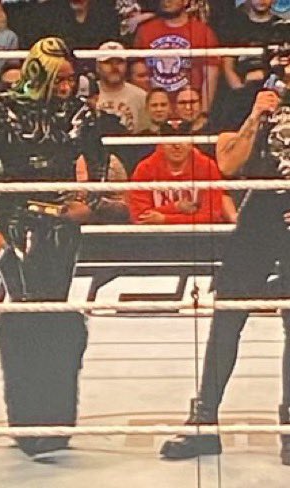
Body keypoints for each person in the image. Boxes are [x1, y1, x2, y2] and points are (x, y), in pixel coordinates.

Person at [0, 36, 108, 460]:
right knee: (22, 316)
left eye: (72, 79)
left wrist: (88, 204)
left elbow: (99, 162)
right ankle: (25, 420)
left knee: (53, 313)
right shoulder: (3, 109)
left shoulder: (81, 113)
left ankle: (55, 420)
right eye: (60, 79)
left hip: (59, 221)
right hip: (14, 217)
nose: (68, 87)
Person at [160, 51, 290, 465]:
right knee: (228, 311)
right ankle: (204, 421)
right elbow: (228, 163)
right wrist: (255, 117)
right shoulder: (252, 100)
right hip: (261, 210)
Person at [128, 120, 226, 224]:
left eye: (182, 139)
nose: (177, 146)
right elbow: (139, 216)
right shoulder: (145, 168)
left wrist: (165, 219)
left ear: (191, 143)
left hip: (196, 233)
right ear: (161, 144)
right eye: (170, 140)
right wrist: (175, 207)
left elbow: (212, 215)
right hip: (157, 232)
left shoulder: (207, 166)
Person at [133, 0, 220, 112]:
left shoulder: (203, 32)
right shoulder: (145, 31)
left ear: (185, 1)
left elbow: (210, 76)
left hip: (189, 108)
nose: (167, 1)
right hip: (155, 109)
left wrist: (204, 112)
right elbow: (138, 75)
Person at [96, 41, 148, 134]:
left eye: (119, 62)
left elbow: (147, 133)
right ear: (97, 66)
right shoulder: (88, 94)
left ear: (126, 65)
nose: (114, 67)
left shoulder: (141, 97)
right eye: (108, 62)